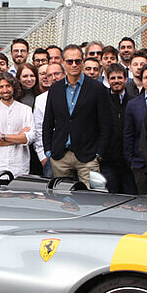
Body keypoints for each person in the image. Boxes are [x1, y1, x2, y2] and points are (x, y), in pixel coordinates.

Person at [43, 45, 113, 187]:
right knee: (62, 199)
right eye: (70, 61)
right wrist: (49, 151)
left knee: (91, 198)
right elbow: (48, 123)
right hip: (60, 156)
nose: (74, 65)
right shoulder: (55, 89)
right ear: (63, 62)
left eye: (77, 61)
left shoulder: (97, 89)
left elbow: (106, 125)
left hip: (88, 156)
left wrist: (98, 154)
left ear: (83, 61)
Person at [0, 74, 35, 178]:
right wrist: (17, 138)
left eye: (8, 86)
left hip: (20, 169)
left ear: (14, 87)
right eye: (1, 87)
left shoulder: (26, 110)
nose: (5, 90)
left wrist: (2, 136)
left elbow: (29, 138)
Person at [123, 64, 147, 194]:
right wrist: (131, 161)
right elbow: (128, 134)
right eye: (145, 78)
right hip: (140, 163)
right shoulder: (133, 104)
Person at [100, 63, 132, 193]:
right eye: (112, 78)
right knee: (110, 198)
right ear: (108, 80)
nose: (116, 81)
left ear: (125, 79)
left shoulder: (134, 101)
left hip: (128, 163)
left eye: (119, 77)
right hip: (108, 161)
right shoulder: (101, 100)